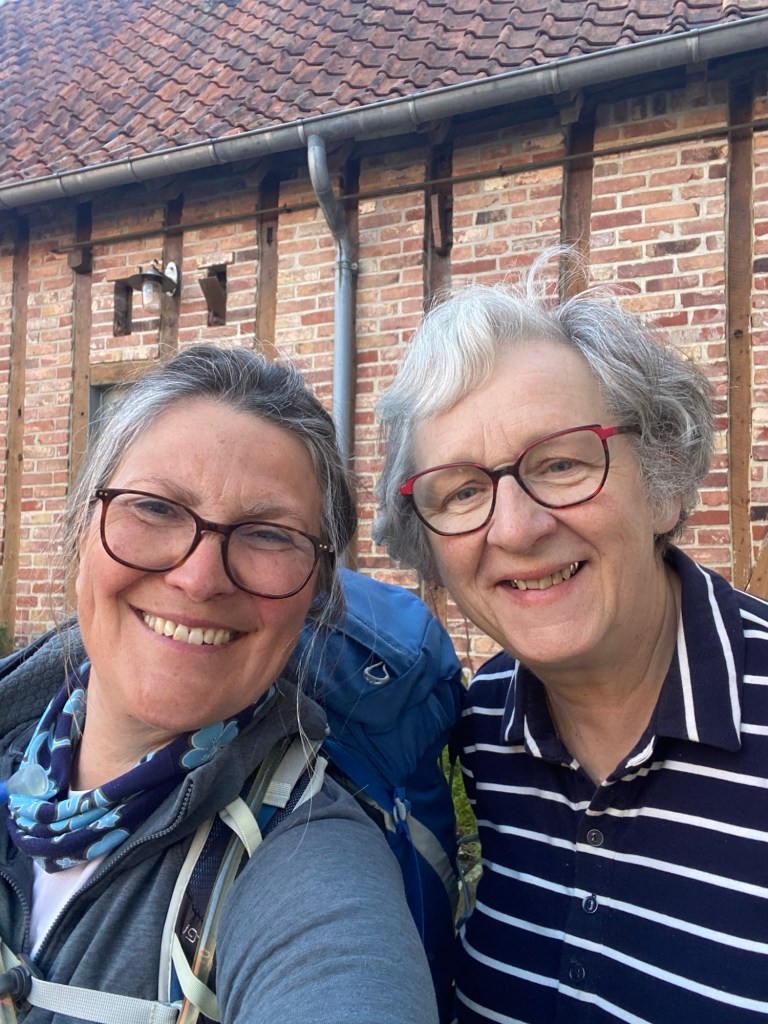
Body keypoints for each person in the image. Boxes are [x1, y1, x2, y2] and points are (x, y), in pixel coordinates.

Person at [374, 258, 768, 1023]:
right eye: (462, 490)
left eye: (560, 463)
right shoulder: (484, 723)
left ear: (662, 484)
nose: (517, 528)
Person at [0, 345, 438, 1024]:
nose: (199, 579)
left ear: (316, 594)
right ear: (83, 529)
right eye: (155, 508)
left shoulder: (311, 863)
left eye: (267, 535)